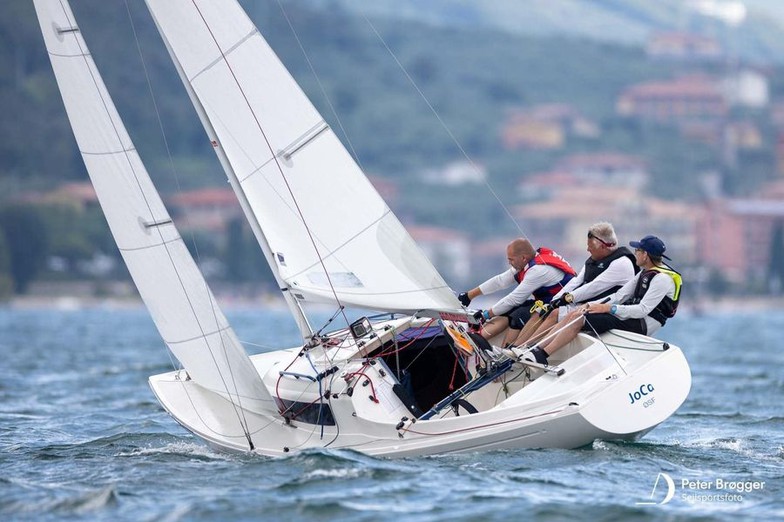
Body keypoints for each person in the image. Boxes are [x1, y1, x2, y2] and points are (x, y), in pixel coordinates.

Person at [524, 234, 682, 365]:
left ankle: (542, 355)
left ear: (645, 255)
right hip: (630, 316)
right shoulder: (645, 272)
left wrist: (608, 308)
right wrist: (591, 305)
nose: (635, 253)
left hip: (642, 323)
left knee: (579, 319)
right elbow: (619, 296)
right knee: (577, 312)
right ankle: (534, 348)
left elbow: (642, 310)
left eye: (637, 250)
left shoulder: (662, 279)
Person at [511, 222, 637, 346]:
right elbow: (576, 281)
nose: (588, 249)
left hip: (604, 309)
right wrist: (555, 300)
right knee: (542, 310)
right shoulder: (594, 260)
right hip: (585, 303)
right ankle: (517, 346)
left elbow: (594, 287)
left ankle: (529, 347)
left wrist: (568, 298)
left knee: (554, 313)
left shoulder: (622, 263)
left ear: (603, 247)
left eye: (591, 247)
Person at [458, 238, 575, 346]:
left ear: (523, 258)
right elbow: (501, 281)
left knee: (518, 315)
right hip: (546, 301)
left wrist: (485, 315)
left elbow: (514, 299)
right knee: (506, 311)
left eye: (511, 259)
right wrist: (469, 296)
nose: (509, 263)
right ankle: (473, 341)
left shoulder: (538, 270)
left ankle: (505, 353)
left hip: (562, 305)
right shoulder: (529, 261)